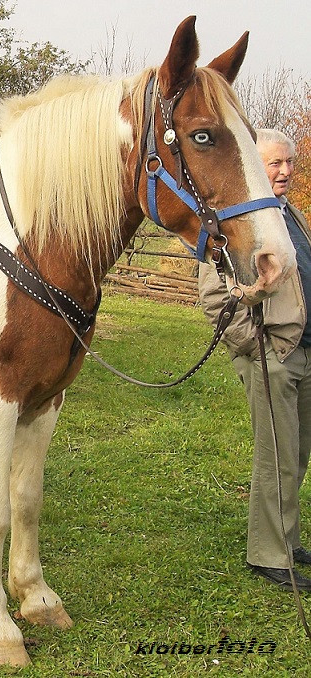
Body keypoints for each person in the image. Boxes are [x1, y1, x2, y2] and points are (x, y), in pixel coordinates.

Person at [198, 128, 311, 590]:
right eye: (274, 164)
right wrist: (258, 347)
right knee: (277, 455)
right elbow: (212, 299)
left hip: (304, 350)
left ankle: (286, 539)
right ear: (253, 168)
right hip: (273, 356)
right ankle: (268, 554)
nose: (285, 171)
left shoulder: (294, 215)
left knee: (298, 452)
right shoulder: (233, 224)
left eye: (289, 162)